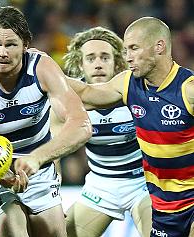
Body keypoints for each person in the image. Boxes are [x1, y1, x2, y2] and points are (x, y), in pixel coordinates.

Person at [0, 6, 91, 237]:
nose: (2, 52)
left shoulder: (42, 68)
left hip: (40, 170)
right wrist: (8, 177)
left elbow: (81, 125)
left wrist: (37, 158)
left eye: (10, 44)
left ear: (25, 44)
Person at [67, 17, 194, 237]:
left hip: (172, 196)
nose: (127, 57)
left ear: (159, 47)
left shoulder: (188, 90)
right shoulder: (127, 84)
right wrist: (40, 70)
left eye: (133, 48)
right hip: (164, 204)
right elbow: (87, 95)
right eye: (125, 50)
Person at [52, 26, 152, 237]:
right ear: (80, 64)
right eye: (91, 58)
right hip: (101, 186)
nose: (98, 63)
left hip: (143, 183)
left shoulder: (135, 90)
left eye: (105, 57)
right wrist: (51, 200)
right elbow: (52, 155)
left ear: (116, 63)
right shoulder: (66, 102)